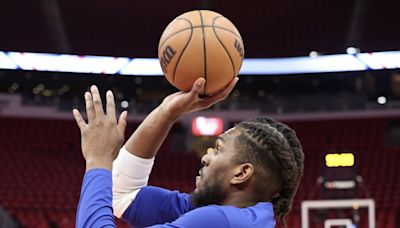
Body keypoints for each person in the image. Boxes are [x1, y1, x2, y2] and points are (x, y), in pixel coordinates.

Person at [73, 77, 304, 228]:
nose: (205, 156)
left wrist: (98, 159)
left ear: (241, 173)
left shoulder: (220, 221)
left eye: (218, 149)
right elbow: (122, 196)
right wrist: (167, 112)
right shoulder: (249, 215)